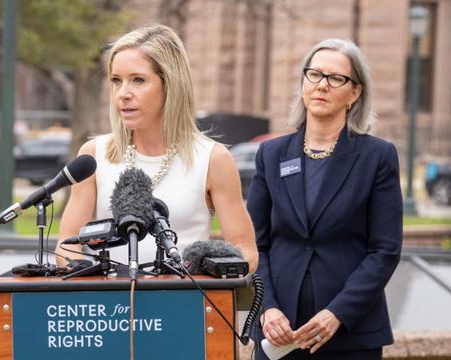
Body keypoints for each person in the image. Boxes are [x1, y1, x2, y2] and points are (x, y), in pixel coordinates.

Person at [54, 24, 258, 272]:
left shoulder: (213, 159)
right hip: (109, 304)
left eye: (138, 80)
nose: (123, 93)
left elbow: (245, 251)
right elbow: (67, 246)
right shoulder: (94, 154)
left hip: (184, 302)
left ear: (170, 84)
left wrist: (206, 275)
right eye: (116, 81)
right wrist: (89, 279)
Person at [247, 38, 402, 359]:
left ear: (355, 92)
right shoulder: (271, 154)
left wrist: (337, 313)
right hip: (279, 333)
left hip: (350, 333)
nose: (322, 86)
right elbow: (253, 245)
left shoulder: (377, 156)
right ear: (303, 82)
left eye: (336, 78)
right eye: (314, 75)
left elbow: (384, 251)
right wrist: (268, 308)